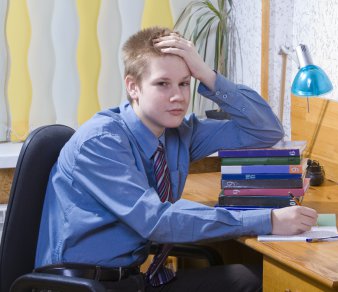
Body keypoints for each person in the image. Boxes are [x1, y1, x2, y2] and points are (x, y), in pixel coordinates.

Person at [34, 27, 318, 292]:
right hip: (82, 286)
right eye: (162, 84)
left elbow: (265, 130)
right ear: (133, 87)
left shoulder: (179, 133)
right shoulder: (102, 142)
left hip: (133, 280)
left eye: (184, 83)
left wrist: (207, 74)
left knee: (257, 280)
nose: (177, 97)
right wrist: (268, 220)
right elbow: (157, 222)